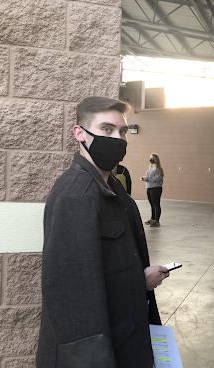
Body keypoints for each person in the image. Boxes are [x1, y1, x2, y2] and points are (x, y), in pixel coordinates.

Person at [37, 97, 170, 368]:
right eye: (106, 129)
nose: (118, 138)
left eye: (122, 131)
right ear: (80, 134)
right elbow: (72, 295)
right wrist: (138, 281)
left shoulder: (112, 189)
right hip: (99, 353)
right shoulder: (77, 195)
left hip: (123, 337)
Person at [141, 153, 164, 227]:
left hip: (156, 188)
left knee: (156, 204)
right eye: (150, 158)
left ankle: (157, 220)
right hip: (149, 187)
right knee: (152, 204)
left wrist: (148, 179)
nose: (151, 160)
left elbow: (157, 179)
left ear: (156, 160)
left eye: (152, 158)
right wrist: (144, 178)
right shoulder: (150, 168)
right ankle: (152, 218)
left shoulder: (158, 169)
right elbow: (147, 176)